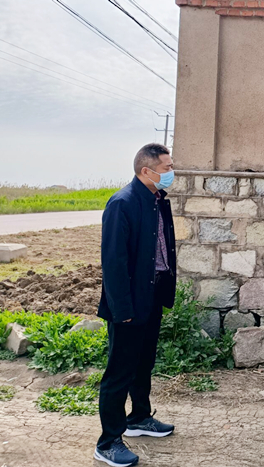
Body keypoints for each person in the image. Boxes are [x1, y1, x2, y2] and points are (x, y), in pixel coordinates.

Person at [94, 143, 177, 467]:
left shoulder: (157, 201)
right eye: (167, 167)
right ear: (147, 171)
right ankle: (108, 442)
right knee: (120, 372)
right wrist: (122, 310)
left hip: (151, 296)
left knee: (144, 363)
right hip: (127, 304)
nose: (171, 172)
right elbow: (113, 263)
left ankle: (139, 417)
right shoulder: (122, 204)